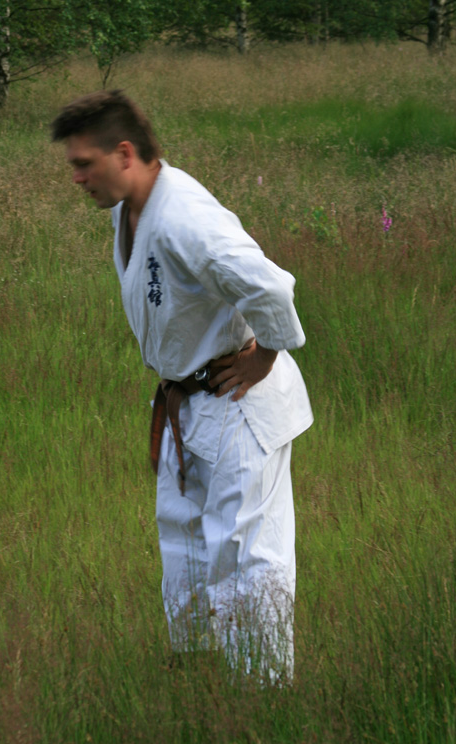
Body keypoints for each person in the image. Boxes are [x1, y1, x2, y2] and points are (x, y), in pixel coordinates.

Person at [51, 90, 313, 681]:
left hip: (237, 400)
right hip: (186, 400)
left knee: (246, 557)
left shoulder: (185, 218)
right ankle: (199, 678)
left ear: (124, 154)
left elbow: (270, 287)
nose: (77, 178)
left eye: (84, 163)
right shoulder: (131, 209)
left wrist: (266, 354)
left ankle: (262, 694)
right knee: (185, 543)